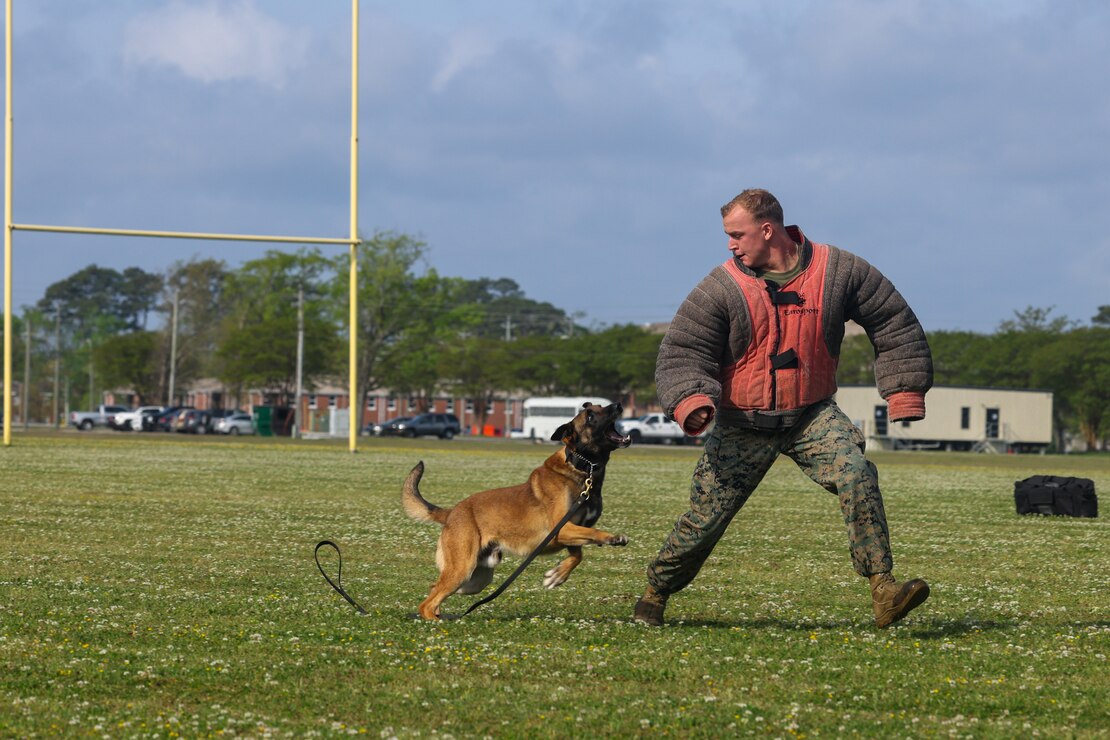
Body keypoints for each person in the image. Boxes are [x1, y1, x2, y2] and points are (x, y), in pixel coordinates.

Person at [634, 188, 932, 629]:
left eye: (737, 234)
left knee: (857, 473)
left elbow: (891, 319)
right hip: (742, 422)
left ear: (767, 229)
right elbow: (683, 351)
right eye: (728, 237)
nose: (731, 244)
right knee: (704, 519)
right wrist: (692, 400)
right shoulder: (720, 287)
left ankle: (883, 589)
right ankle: (655, 592)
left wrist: (904, 390)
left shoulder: (839, 270)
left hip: (811, 415)